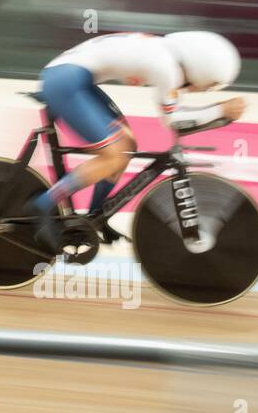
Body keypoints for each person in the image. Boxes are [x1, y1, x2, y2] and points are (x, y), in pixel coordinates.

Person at [30, 31, 245, 256]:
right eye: (207, 86)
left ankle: (96, 216)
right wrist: (221, 109)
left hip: (71, 77)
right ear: (201, 69)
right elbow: (173, 120)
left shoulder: (166, 54)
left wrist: (218, 113)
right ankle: (42, 204)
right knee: (114, 154)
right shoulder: (166, 66)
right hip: (66, 81)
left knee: (126, 146)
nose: (197, 90)